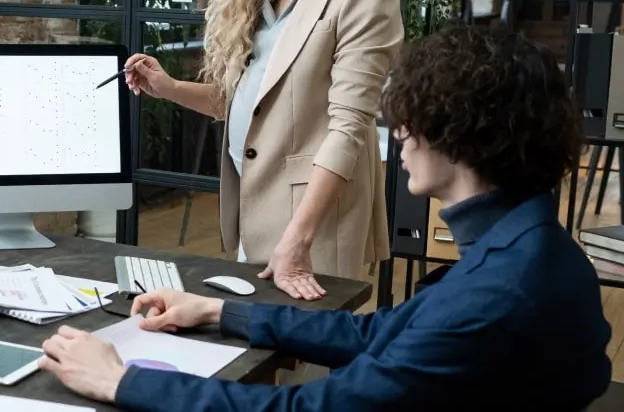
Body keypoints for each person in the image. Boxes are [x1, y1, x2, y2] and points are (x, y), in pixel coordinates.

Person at [38, 25, 613, 411]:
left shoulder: (496, 293)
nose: (401, 138)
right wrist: (218, 311)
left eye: (410, 120)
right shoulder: (527, 245)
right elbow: (380, 332)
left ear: (460, 133)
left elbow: (308, 409)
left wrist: (120, 380)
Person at [124, 0, 402, 299]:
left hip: (311, 224)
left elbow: (349, 128)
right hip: (253, 213)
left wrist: (298, 238)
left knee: (308, 369)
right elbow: (246, 106)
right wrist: (167, 86)